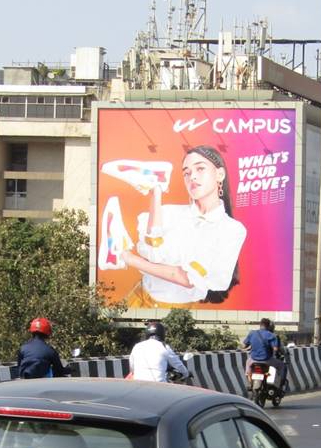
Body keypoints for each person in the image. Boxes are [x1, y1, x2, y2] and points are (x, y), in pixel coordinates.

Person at [118, 146, 247, 306]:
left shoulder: (232, 230)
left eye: (200, 168)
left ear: (219, 174)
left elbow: (185, 278)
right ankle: (158, 181)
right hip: (137, 298)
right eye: (186, 172)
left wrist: (129, 259)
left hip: (179, 312)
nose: (192, 177)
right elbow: (152, 253)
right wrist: (156, 193)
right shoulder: (168, 213)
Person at [242, 318, 285, 389]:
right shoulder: (272, 335)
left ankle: (250, 383)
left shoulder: (252, 333)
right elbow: (276, 349)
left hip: (253, 360)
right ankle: (281, 383)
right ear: (268, 326)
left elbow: (243, 345)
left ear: (260, 325)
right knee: (282, 365)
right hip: (267, 360)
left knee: (248, 364)